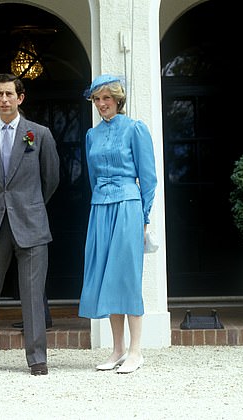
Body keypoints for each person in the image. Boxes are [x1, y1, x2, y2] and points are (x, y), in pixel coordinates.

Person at [0, 73, 60, 376]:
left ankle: (37, 359)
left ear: (21, 98)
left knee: (33, 294)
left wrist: (29, 203)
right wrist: (2, 203)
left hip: (31, 222)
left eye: (10, 94)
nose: (4, 99)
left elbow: (51, 178)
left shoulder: (38, 134)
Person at [78, 74, 157, 374]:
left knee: (126, 276)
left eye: (106, 98)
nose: (101, 104)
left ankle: (136, 351)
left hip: (128, 206)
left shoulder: (135, 129)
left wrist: (145, 217)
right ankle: (118, 350)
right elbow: (92, 177)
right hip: (100, 208)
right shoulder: (91, 136)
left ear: (118, 99)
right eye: (97, 99)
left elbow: (148, 179)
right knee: (106, 277)